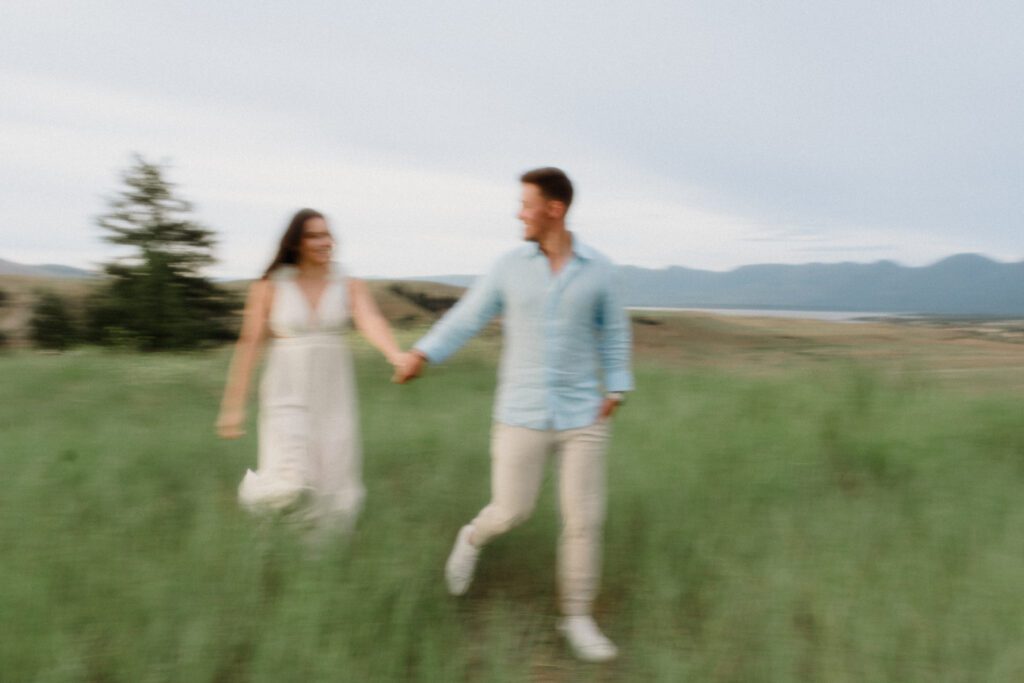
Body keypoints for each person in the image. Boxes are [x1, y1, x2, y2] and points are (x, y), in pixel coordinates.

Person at [394, 168, 633, 662]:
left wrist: (618, 385)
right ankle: (472, 537)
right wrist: (423, 354)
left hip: (582, 414)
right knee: (512, 510)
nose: (518, 214)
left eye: (526, 205)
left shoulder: (601, 270)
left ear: (555, 209)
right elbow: (467, 317)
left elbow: (613, 333)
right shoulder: (507, 266)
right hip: (520, 412)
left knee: (583, 519)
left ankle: (577, 617)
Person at [217, 208, 403, 535]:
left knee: (333, 480)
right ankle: (273, 532)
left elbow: (370, 320)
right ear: (297, 242)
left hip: (334, 395)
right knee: (290, 480)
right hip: (285, 392)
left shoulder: (349, 284)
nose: (325, 241)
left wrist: (395, 354)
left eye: (327, 234)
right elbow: (249, 344)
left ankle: (319, 561)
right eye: (315, 235)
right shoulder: (270, 286)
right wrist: (233, 407)